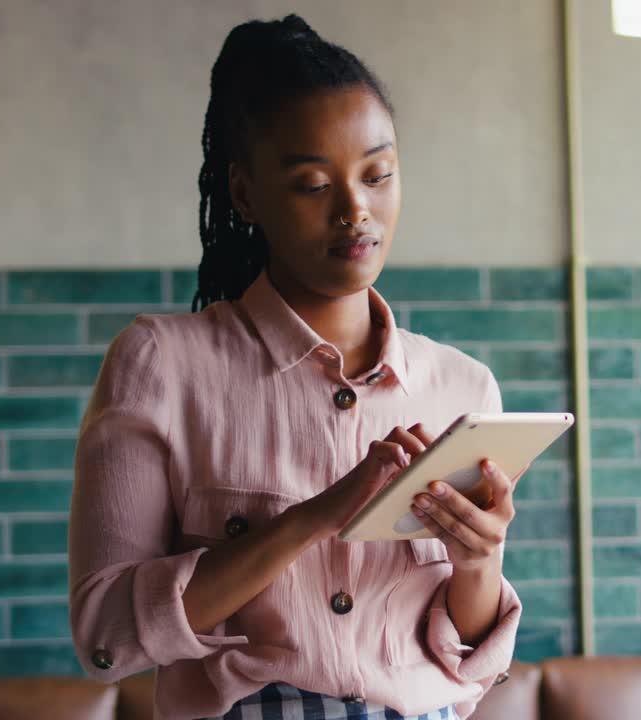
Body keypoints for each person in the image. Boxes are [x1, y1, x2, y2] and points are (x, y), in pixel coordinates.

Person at [67, 14, 523, 720]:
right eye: (314, 185)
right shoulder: (162, 365)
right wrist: (317, 517)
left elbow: (467, 658)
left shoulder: (464, 387)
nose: (355, 210)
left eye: (378, 175)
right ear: (246, 195)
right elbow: (106, 640)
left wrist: (477, 561)